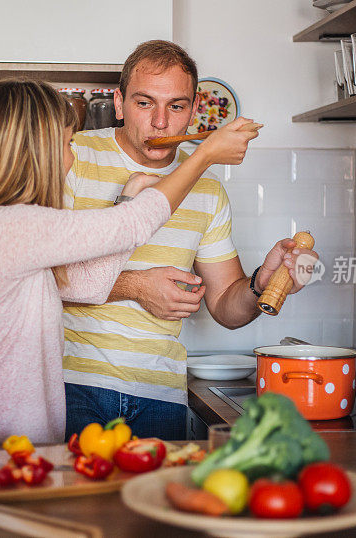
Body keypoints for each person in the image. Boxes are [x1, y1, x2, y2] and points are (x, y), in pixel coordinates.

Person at [0, 79, 258, 443]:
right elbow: (135, 225)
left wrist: (129, 197)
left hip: (17, 451)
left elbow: (91, 280)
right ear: (37, 149)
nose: (72, 155)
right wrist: (204, 155)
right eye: (67, 143)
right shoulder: (7, 227)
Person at [63, 41, 319, 440]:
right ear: (119, 102)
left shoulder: (209, 191)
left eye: (177, 106)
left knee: (158, 504)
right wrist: (137, 287)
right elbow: (37, 277)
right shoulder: (73, 156)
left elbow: (225, 306)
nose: (161, 123)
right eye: (145, 103)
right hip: (71, 383)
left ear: (194, 108)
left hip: (160, 394)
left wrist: (261, 282)